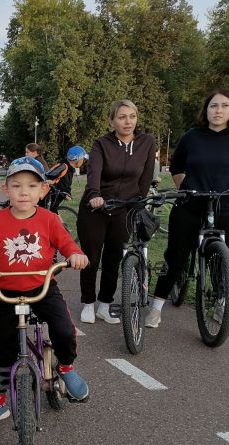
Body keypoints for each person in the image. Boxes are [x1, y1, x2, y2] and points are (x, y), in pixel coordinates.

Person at [0, 156, 89, 426]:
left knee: (63, 328)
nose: (23, 192)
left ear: (43, 190)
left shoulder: (50, 219)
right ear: (6, 190)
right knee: (5, 349)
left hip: (43, 288)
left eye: (31, 186)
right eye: (16, 186)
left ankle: (66, 367)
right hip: (9, 294)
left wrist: (75, 255)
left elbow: (66, 244)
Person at [145, 90, 229, 328]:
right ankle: (157, 307)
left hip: (226, 206)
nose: (218, 111)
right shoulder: (192, 136)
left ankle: (221, 305)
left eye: (224, 106)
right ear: (206, 110)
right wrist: (185, 188)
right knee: (176, 256)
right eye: (213, 106)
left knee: (221, 258)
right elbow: (177, 165)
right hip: (190, 204)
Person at [77, 100, 156, 325]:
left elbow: (145, 177)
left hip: (125, 209)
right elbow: (94, 172)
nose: (127, 121)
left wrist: (140, 202)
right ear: (112, 121)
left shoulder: (147, 142)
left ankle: (104, 303)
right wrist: (94, 195)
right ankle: (88, 303)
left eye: (132, 116)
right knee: (91, 257)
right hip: (97, 207)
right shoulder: (101, 144)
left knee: (114, 257)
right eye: (122, 117)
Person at [40, 145, 87, 213]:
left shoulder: (70, 169)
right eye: (82, 159)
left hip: (56, 197)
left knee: (52, 212)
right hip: (49, 196)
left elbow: (65, 183)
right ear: (77, 159)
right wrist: (50, 182)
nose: (83, 161)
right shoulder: (63, 166)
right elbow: (49, 176)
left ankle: (60, 224)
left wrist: (67, 193)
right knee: (49, 212)